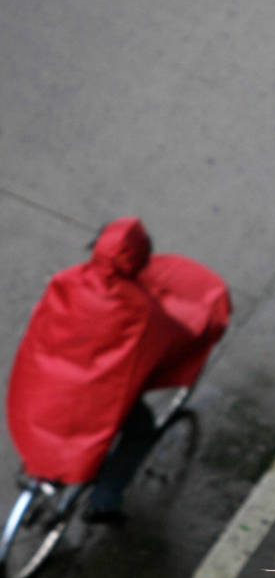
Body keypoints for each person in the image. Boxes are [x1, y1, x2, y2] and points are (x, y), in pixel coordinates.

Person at [6, 216, 232, 522]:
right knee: (140, 429)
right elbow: (171, 336)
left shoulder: (66, 280)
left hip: (48, 385)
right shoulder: (141, 309)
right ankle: (105, 499)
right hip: (94, 399)